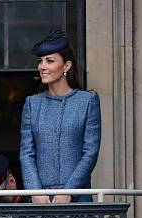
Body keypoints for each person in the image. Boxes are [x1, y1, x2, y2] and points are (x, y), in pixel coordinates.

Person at [19, 30, 101, 203]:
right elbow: (27, 153)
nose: (42, 66)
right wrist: (34, 191)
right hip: (40, 200)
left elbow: (90, 152)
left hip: (78, 197)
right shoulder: (32, 104)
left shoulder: (87, 101)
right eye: (40, 61)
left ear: (66, 66)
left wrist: (69, 191)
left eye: (50, 61)